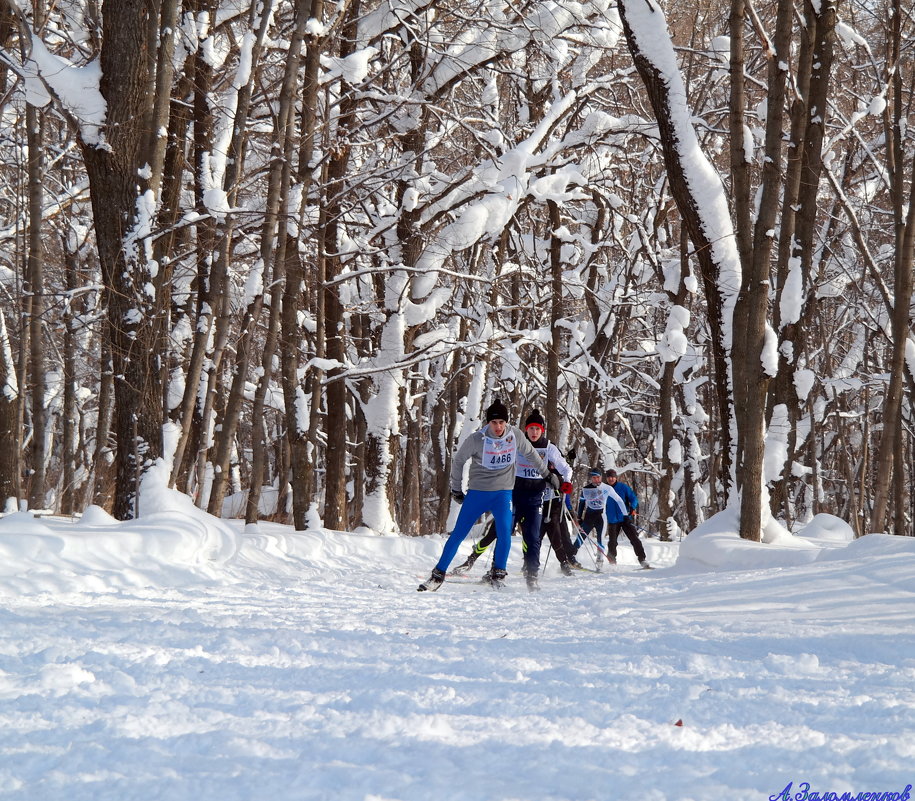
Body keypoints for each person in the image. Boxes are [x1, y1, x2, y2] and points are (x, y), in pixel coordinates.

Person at [418, 399, 558, 591]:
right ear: (488, 423)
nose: (498, 427)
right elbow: (459, 461)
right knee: (458, 534)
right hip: (478, 493)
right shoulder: (477, 439)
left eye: (502, 422)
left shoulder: (515, 435)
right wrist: (456, 489)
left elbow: (532, 455)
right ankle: (437, 575)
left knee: (504, 534)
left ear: (506, 422)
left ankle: (498, 573)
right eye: (494, 422)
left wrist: (547, 475)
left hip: (503, 495)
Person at [450, 409, 574, 590]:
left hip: (535, 499)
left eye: (537, 429)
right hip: (513, 494)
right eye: (530, 428)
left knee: (532, 537)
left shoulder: (549, 447)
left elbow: (566, 469)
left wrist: (566, 483)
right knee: (499, 532)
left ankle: (532, 575)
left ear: (542, 430)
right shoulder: (514, 440)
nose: (533, 432)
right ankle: (480, 564)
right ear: (526, 429)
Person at [603, 468, 650, 568]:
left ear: (616, 478)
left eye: (613, 477)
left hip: (625, 518)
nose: (611, 479)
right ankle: (612, 562)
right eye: (609, 477)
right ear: (606, 478)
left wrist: (632, 508)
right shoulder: (604, 489)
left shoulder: (623, 487)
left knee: (634, 539)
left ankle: (642, 559)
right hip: (612, 519)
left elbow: (633, 499)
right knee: (612, 542)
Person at [572, 468, 610, 558]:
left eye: (597, 477)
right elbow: (581, 504)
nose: (596, 479)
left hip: (600, 517)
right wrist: (579, 518)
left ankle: (599, 560)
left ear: (600, 477)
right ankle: (571, 557)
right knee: (581, 537)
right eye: (594, 478)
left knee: (600, 540)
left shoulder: (606, 488)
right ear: (591, 478)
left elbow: (613, 502)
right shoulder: (586, 489)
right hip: (589, 517)